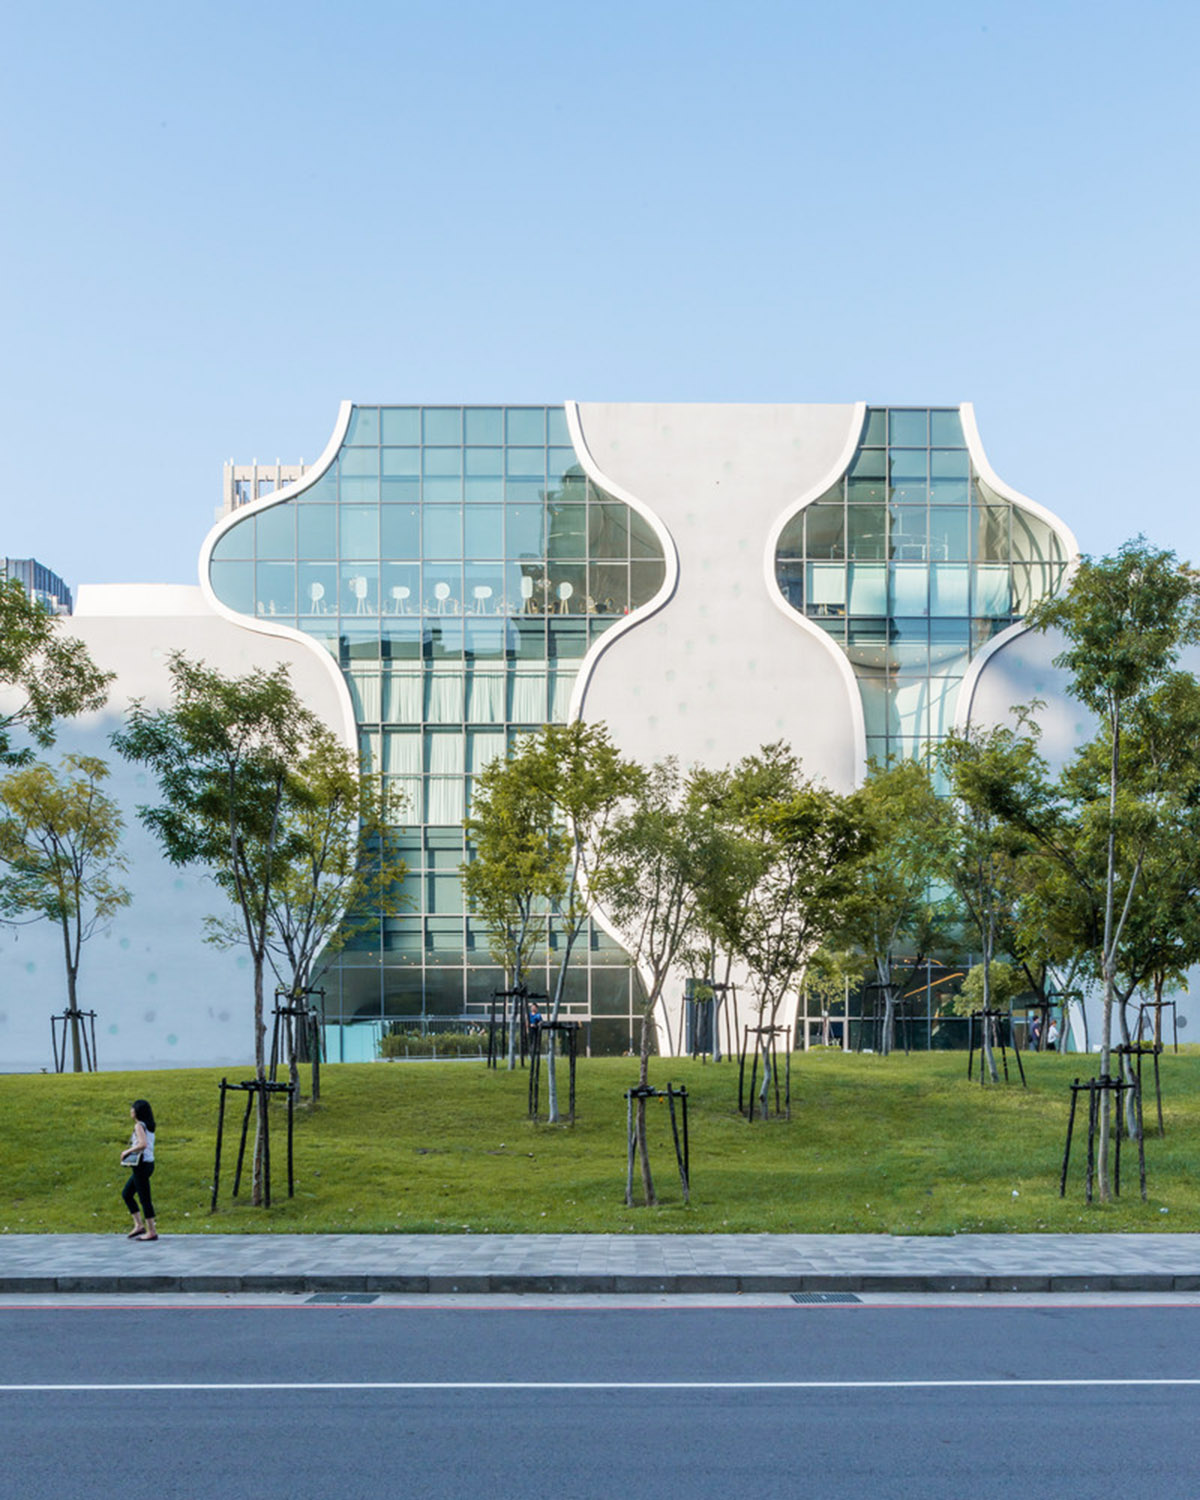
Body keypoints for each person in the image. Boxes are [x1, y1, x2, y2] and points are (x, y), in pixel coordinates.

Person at [121, 1099, 158, 1241]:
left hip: (142, 1165)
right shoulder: (148, 1125)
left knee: (145, 1198)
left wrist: (127, 1151)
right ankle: (139, 1225)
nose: (131, 1111)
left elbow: (142, 1144)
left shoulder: (139, 1126)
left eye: (133, 1108)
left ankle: (151, 1231)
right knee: (127, 1194)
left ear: (137, 1112)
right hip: (148, 1164)